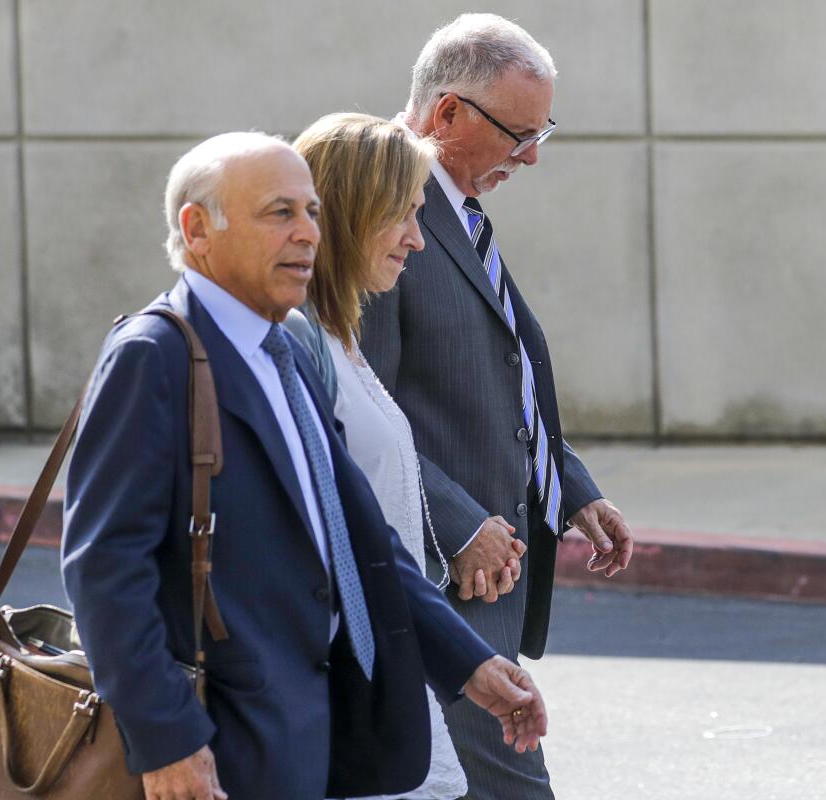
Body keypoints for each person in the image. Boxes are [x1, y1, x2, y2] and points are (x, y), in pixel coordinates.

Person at [61, 131, 549, 800]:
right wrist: (168, 739)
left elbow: (363, 542)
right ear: (196, 229)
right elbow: (106, 569)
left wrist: (468, 664)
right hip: (221, 748)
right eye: (279, 214)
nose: (307, 235)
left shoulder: (284, 353)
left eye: (312, 212)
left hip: (314, 738)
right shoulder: (155, 355)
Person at [359, 14, 636, 799]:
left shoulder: (456, 206)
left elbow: (498, 365)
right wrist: (458, 525)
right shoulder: (384, 206)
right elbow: (357, 405)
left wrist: (570, 487)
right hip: (446, 575)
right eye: (519, 132)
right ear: (447, 114)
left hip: (489, 566)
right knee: (509, 784)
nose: (533, 155)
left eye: (541, 129)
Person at [285, 112, 524, 800]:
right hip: (339, 698)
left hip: (387, 679)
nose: (419, 240)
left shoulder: (341, 337)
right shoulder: (298, 345)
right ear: (356, 213)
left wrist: (464, 661)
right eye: (404, 216)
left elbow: (374, 537)